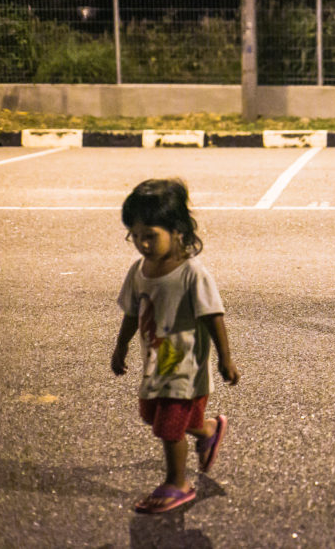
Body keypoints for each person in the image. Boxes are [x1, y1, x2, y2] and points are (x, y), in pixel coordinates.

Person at [111, 178, 241, 514]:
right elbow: (131, 312)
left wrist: (225, 359)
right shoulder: (139, 271)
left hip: (185, 366)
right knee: (152, 416)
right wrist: (120, 347)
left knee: (169, 429)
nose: (142, 244)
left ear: (177, 230)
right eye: (135, 236)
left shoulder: (192, 273)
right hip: (156, 362)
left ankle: (177, 483)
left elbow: (213, 316)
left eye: (150, 235)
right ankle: (208, 429)